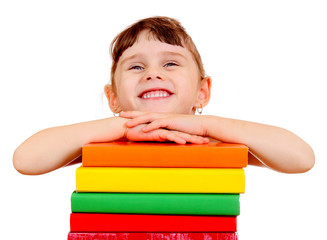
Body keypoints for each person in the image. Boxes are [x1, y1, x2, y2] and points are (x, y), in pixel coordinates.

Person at [13, 16, 315, 175]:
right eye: (136, 66)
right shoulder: (107, 142)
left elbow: (301, 158)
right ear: (113, 98)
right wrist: (125, 126)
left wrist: (207, 126)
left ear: (202, 91)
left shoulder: (210, 143)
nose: (152, 74)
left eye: (170, 63)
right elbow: (26, 160)